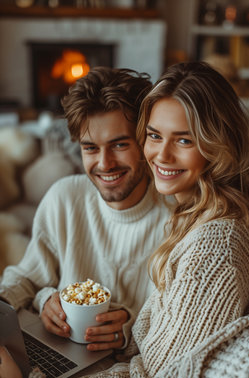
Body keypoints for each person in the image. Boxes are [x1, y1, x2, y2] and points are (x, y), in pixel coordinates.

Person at [1, 61, 249, 378]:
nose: (162, 156)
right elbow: (28, 277)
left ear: (218, 143)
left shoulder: (210, 244)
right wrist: (42, 298)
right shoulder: (196, 215)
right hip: (78, 358)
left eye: (184, 140)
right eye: (155, 135)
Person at [0, 67, 172, 351]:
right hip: (61, 350)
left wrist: (130, 329)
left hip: (126, 363)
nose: (105, 164)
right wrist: (45, 300)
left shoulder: (177, 218)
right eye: (90, 148)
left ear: (146, 141)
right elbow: (26, 278)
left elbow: (176, 322)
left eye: (118, 145)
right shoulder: (65, 198)